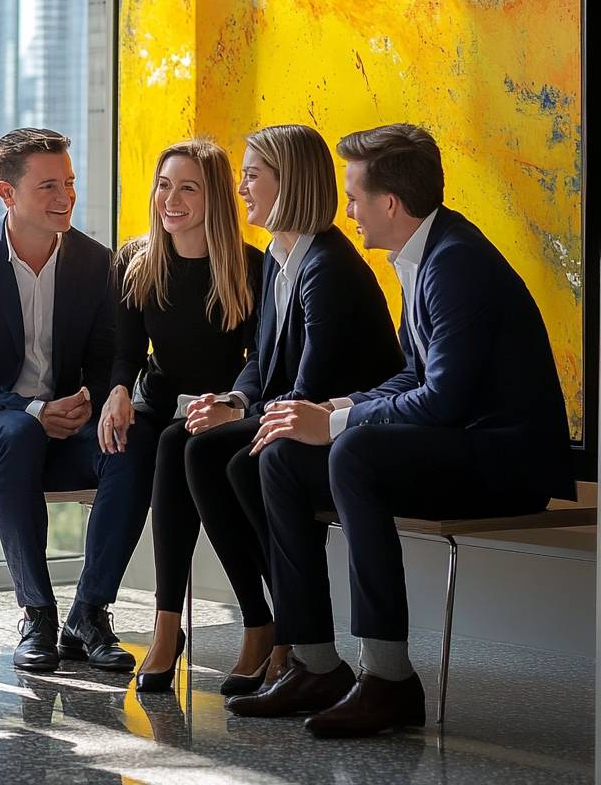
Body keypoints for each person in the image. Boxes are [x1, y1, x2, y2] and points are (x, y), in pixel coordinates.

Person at [233, 123, 575, 736]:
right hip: (460, 445)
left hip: (505, 463)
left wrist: (337, 421)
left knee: (354, 452)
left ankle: (388, 678)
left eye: (355, 196)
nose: (348, 209)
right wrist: (335, 406)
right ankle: (314, 662)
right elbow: (413, 375)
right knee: (280, 455)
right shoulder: (421, 255)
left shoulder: (454, 263)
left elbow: (442, 400)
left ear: (389, 203)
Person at [132, 125, 401, 694]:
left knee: (211, 452)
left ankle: (282, 632)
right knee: (182, 438)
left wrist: (242, 416)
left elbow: (312, 384)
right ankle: (260, 621)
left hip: (345, 432)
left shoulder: (326, 266)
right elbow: (264, 361)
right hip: (297, 414)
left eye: (252, 175)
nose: (242, 188)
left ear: (290, 183)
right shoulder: (284, 258)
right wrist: (233, 399)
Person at [0, 128, 154, 674]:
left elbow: (104, 357)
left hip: (64, 425)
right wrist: (28, 410)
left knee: (132, 440)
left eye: (69, 183)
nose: (64, 197)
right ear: (7, 193)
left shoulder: (96, 262)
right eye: (48, 185)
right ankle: (37, 614)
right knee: (19, 433)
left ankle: (89, 613)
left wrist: (91, 399)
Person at [96, 138, 262, 691]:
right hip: (167, 404)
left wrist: (229, 404)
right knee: (166, 436)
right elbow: (126, 351)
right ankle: (169, 625)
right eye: (164, 185)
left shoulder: (251, 268)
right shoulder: (135, 261)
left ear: (214, 196)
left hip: (230, 411)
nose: (172, 198)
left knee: (178, 443)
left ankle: (193, 625)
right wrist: (118, 389)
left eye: (188, 187)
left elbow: (262, 359)